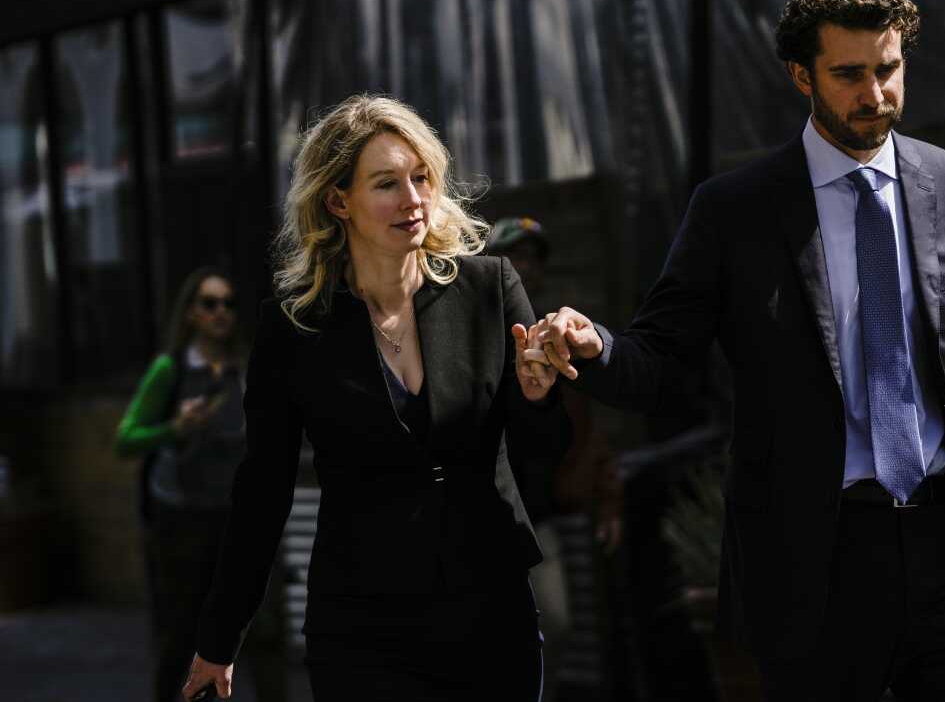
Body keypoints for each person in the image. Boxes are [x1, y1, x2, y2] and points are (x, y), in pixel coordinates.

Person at [520, 0, 945, 699]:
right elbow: (659, 361)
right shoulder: (734, 212)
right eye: (848, 75)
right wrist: (595, 343)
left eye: (887, 69)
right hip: (820, 559)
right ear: (800, 75)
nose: (874, 95)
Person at [181, 95, 571, 701]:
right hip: (363, 625)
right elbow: (263, 489)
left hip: (490, 609)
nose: (413, 200)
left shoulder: (490, 289)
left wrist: (539, 394)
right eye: (387, 183)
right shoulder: (294, 329)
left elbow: (544, 448)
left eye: (421, 178)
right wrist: (219, 635)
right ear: (339, 202)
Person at [116, 266, 283, 702]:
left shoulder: (245, 367)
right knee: (183, 635)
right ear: (190, 313)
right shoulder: (170, 370)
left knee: (262, 629)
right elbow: (126, 439)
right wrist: (175, 427)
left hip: (239, 517)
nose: (220, 313)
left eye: (228, 303)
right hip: (184, 520)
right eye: (209, 304)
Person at [486, 217, 623, 701]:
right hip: (477, 514)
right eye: (513, 257)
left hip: (541, 514)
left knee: (560, 623)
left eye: (532, 258)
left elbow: (587, 427)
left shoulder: (556, 335)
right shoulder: (469, 329)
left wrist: (606, 498)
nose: (524, 267)